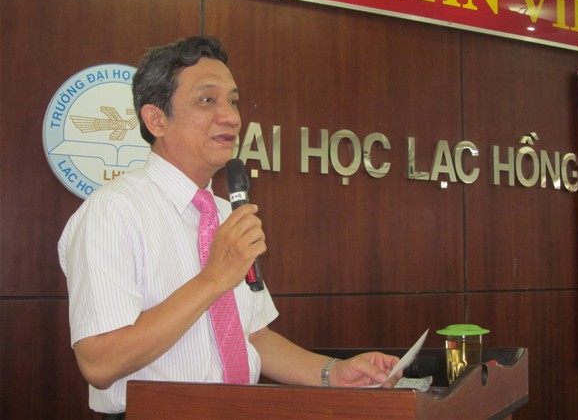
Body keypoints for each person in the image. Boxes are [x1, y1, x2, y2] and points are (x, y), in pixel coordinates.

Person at [58, 35, 401, 417]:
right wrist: (215, 277)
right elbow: (99, 362)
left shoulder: (225, 214)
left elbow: (253, 336)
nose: (232, 118)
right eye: (208, 100)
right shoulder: (113, 211)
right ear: (156, 119)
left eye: (233, 101)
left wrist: (332, 373)